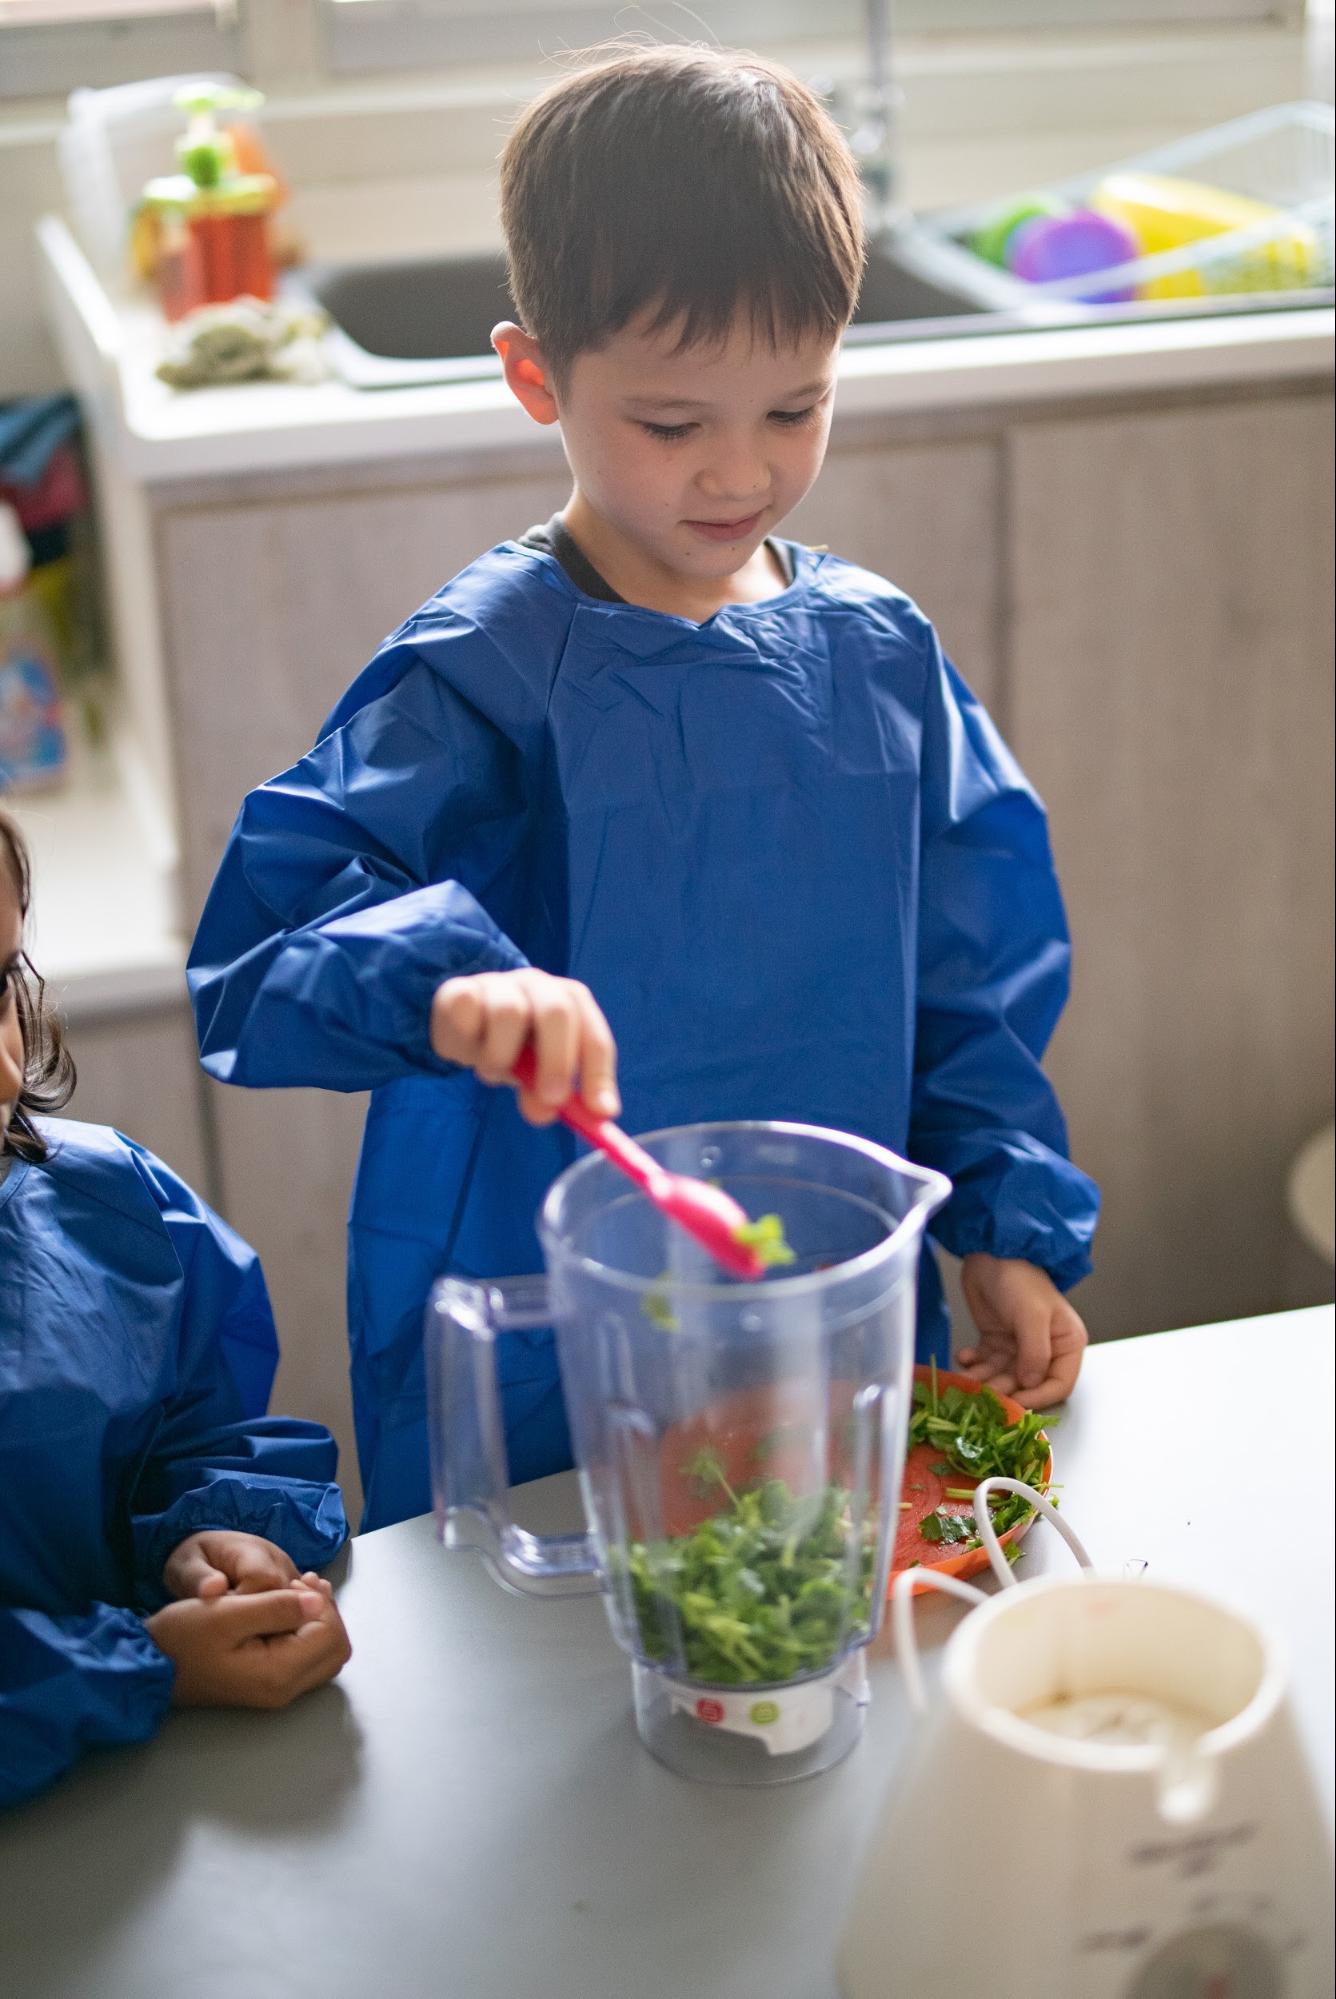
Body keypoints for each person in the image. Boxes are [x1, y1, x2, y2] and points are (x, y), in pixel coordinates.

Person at [187, 46, 1099, 1533]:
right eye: (673, 426)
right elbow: (258, 953)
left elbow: (966, 991)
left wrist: (1000, 1218)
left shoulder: (878, 654)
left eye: (794, 409)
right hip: (554, 1356)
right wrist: (446, 976)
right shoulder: (487, 674)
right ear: (535, 378)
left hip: (826, 1325)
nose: (739, 474)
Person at [1, 809, 351, 1809]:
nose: (6, 1073)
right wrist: (142, 1665)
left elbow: (193, 1433)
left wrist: (200, 1540)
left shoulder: (110, 1206)